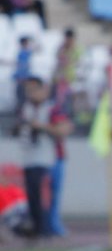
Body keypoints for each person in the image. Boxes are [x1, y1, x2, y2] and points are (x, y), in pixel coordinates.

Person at [14, 76, 72, 239]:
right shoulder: (25, 109)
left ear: (43, 90)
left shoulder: (53, 109)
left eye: (34, 89)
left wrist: (41, 126)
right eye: (28, 90)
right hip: (29, 158)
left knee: (47, 197)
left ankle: (49, 228)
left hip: (49, 159)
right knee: (32, 196)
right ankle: (37, 228)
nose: (30, 93)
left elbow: (64, 129)